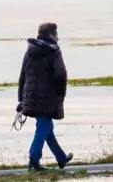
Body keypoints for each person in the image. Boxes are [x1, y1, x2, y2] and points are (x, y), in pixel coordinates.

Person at [17, 22, 72, 171]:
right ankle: (34, 160)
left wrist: (21, 99)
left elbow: (22, 76)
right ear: (51, 35)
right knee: (44, 126)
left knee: (46, 126)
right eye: (56, 34)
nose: (58, 38)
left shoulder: (29, 51)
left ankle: (61, 158)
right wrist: (61, 93)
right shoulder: (53, 51)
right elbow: (60, 75)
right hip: (47, 97)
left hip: (30, 97)